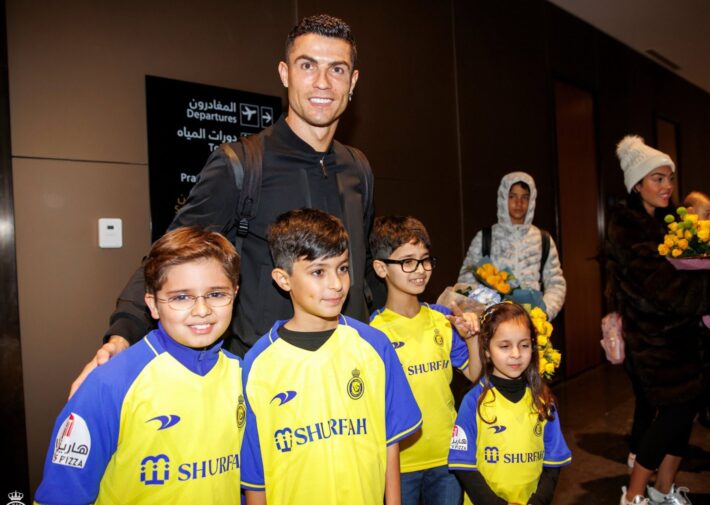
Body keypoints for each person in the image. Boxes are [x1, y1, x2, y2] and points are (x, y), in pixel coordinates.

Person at [71, 14, 372, 395]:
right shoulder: (242, 165)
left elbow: (362, 275)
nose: (323, 83)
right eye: (307, 66)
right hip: (268, 386)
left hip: (349, 376)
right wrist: (122, 336)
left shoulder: (358, 169)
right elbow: (168, 257)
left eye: (337, 69)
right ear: (285, 73)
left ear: (353, 81)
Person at [35, 227, 244, 504]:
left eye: (216, 294)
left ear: (235, 294)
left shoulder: (242, 374)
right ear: (153, 306)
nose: (202, 310)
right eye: (181, 297)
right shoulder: (108, 383)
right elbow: (62, 494)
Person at [240, 209, 422, 505]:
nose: (337, 284)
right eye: (318, 272)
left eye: (342, 268)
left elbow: (391, 443)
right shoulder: (258, 363)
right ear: (283, 279)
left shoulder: (374, 345)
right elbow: (254, 473)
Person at [605, 135, 710, 505]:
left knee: (684, 415)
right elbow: (661, 289)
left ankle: (663, 489)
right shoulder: (628, 225)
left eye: (669, 178)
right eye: (657, 178)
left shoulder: (666, 223)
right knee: (670, 416)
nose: (667, 186)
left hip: (684, 339)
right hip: (654, 342)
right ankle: (635, 493)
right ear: (637, 183)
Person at [368, 215, 482, 505]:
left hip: (446, 457)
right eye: (407, 262)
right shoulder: (372, 332)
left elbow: (473, 374)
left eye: (425, 260)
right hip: (400, 464)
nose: (420, 270)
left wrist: (471, 338)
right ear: (381, 268)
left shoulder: (442, 319)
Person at [447, 302, 571, 505]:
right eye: (504, 346)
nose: (516, 354)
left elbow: (553, 461)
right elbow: (463, 465)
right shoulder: (473, 401)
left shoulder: (543, 400)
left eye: (524, 345)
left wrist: (537, 502)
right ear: (486, 350)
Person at [457, 172, 566, 321]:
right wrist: (487, 310)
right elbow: (466, 281)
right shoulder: (484, 238)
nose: (518, 203)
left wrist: (543, 313)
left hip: (533, 325)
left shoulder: (543, 239)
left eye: (525, 197)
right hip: (495, 324)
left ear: (532, 200)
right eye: (512, 196)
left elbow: (556, 283)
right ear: (503, 198)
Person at [682, 191, 710, 429]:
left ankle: (706, 405)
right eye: (707, 214)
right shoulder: (679, 239)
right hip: (688, 319)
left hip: (708, 317)